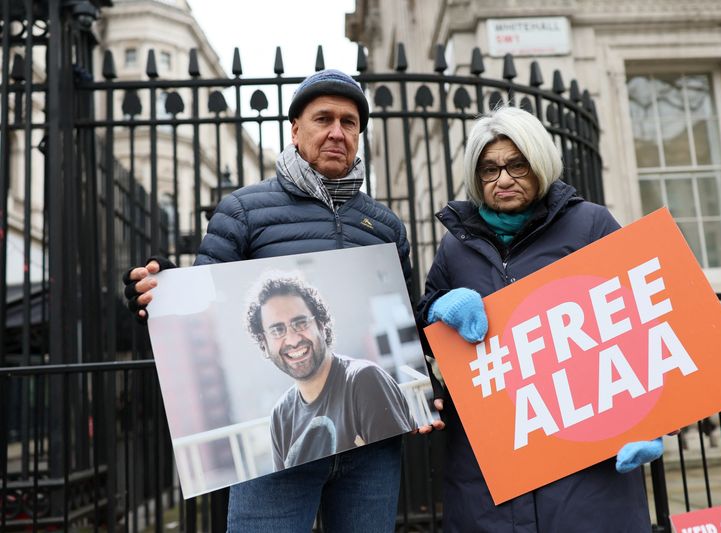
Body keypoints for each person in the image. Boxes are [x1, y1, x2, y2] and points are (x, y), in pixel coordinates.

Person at [124, 69, 440, 533]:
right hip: (275, 449)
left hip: (370, 445)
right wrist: (157, 291)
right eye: (323, 118)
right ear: (295, 130)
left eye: (349, 123)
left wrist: (422, 388)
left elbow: (407, 323)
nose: (337, 132)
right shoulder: (243, 211)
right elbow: (200, 306)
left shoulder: (386, 226)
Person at [418, 105, 665, 532]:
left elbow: (644, 320)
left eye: (517, 164)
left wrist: (650, 419)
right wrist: (438, 310)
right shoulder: (454, 248)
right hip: (489, 473)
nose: (504, 179)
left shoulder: (591, 225)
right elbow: (423, 332)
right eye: (489, 170)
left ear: (540, 161)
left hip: (586, 463)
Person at [244, 273, 415, 470]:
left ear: (322, 326)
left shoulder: (363, 381)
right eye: (277, 330)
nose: (292, 339)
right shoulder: (280, 416)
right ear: (264, 345)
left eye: (300, 323)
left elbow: (403, 475)